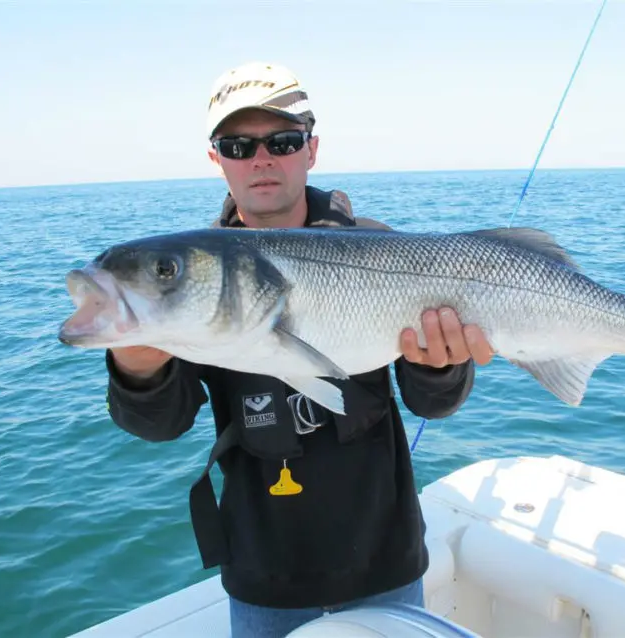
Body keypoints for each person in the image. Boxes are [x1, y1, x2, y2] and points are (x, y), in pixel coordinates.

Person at [103, 61, 494, 637]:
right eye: (238, 145)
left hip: (386, 559)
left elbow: (433, 403)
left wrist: (441, 367)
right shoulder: (192, 276)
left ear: (311, 150)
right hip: (266, 577)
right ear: (217, 159)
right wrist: (137, 368)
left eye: (282, 141)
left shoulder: (383, 249)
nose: (261, 159)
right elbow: (162, 424)